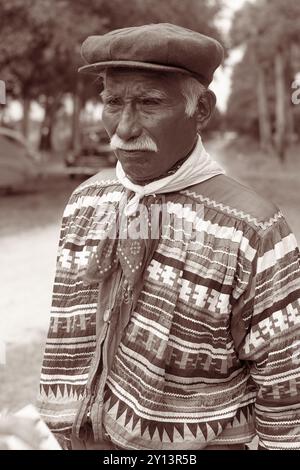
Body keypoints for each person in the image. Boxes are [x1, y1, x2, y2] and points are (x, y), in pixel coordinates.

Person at [38, 23, 300, 450]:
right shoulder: (87, 201)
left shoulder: (253, 229)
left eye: (149, 103)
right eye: (112, 102)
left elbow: (288, 392)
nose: (123, 128)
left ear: (201, 111)